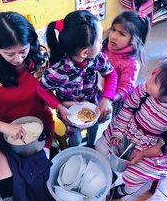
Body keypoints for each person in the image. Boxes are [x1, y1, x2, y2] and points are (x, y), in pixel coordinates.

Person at [0, 12, 55, 201]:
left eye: (23, 51)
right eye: (10, 53)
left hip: (41, 127)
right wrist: (1, 127)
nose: (18, 59)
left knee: (41, 177)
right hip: (7, 131)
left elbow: (54, 90)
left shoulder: (39, 57)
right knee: (4, 185)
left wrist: (63, 105)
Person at [96, 59, 167, 199]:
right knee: (101, 146)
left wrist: (144, 153)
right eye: (152, 75)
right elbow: (127, 109)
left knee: (134, 177)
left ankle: (125, 191)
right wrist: (118, 133)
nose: (148, 79)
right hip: (128, 128)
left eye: (154, 81)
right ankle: (108, 171)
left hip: (150, 145)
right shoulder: (143, 89)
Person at [36, 10, 117, 148]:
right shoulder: (57, 71)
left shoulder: (98, 58)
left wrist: (106, 99)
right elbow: (41, 90)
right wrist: (60, 106)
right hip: (69, 111)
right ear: (85, 52)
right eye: (99, 39)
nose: (103, 42)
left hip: (93, 104)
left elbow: (111, 74)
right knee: (76, 139)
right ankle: (74, 150)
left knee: (93, 128)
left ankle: (91, 145)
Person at [102, 11, 149, 115]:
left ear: (134, 40)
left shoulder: (131, 63)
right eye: (113, 30)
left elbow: (126, 87)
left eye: (122, 34)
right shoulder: (106, 45)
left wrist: (109, 99)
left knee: (116, 119)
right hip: (102, 87)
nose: (113, 36)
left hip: (117, 97)